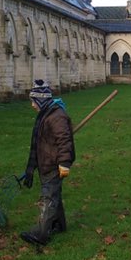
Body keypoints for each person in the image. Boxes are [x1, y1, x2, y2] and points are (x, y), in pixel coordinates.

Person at [18, 79, 75, 247]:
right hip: (46, 162)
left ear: (41, 100)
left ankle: (41, 233)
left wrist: (64, 162)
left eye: (34, 101)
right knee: (53, 194)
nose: (32, 105)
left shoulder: (57, 117)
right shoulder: (47, 114)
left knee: (48, 198)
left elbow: (64, 141)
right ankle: (59, 224)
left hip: (53, 164)